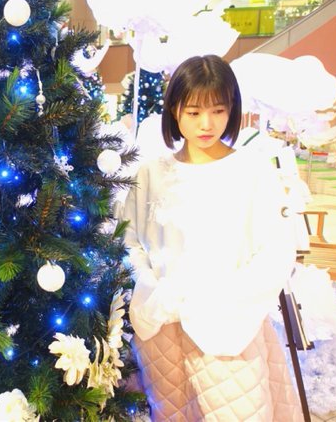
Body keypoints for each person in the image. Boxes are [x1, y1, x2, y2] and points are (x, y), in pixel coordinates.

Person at [122, 55, 303, 420]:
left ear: (231, 109)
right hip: (162, 326)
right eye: (193, 112)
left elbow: (276, 251)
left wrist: (224, 301)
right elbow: (130, 242)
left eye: (218, 110)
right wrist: (154, 291)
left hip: (228, 328)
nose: (207, 124)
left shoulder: (251, 171)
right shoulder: (151, 173)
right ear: (174, 110)